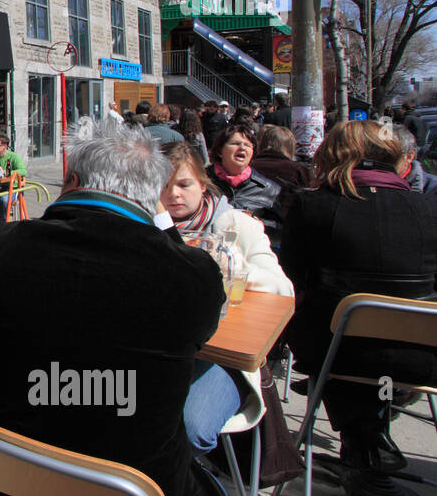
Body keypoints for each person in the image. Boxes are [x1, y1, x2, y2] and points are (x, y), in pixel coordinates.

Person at [0, 116, 232, 496]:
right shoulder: (192, 276)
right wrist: (160, 221)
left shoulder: (7, 246)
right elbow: (204, 329)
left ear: (70, 181)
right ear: (153, 197)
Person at [281, 121, 437, 473]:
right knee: (356, 335)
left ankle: (363, 439)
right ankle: (368, 438)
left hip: (335, 350)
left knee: (337, 325)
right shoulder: (430, 209)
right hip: (423, 356)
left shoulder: (312, 207)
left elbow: (294, 278)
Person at [159, 141, 294, 454]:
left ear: (203, 185)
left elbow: (282, 289)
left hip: (219, 357)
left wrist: (233, 270)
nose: (174, 194)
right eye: (164, 186)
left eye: (183, 184)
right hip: (160, 349)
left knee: (189, 429)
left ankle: (192, 494)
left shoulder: (236, 225)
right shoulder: (144, 226)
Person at [207, 124, 281, 237]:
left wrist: (259, 223)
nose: (242, 147)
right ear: (220, 151)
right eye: (235, 143)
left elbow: (280, 228)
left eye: (247, 145)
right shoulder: (200, 181)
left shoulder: (270, 189)